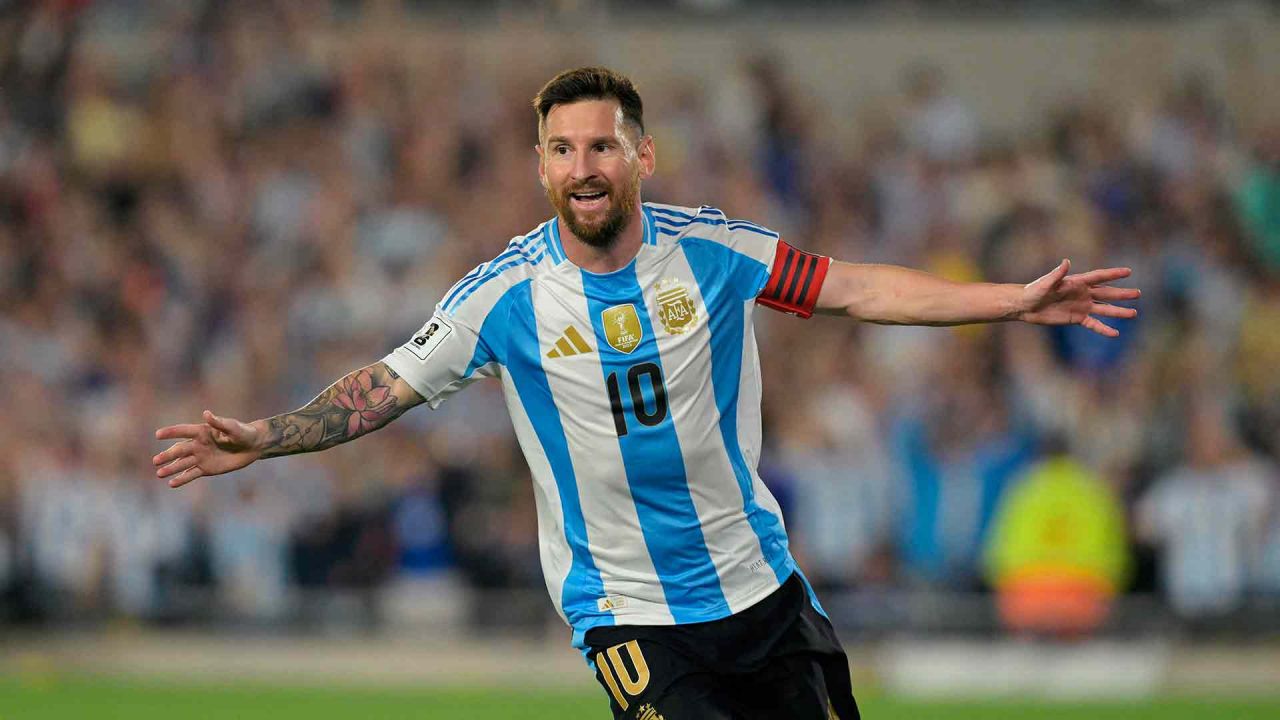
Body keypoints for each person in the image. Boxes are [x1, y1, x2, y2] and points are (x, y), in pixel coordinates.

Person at [153, 67, 1139, 720]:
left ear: (640, 156)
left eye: (600, 146)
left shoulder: (711, 253)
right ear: (540, 166)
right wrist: (267, 437)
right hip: (624, 609)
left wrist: (1008, 300)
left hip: (759, 589)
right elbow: (385, 385)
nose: (581, 168)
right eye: (560, 150)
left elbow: (859, 288)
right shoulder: (502, 296)